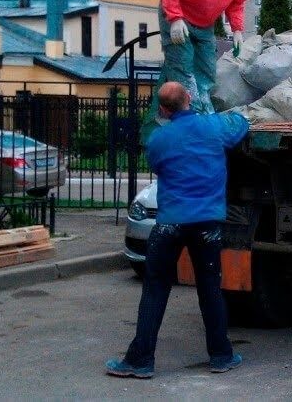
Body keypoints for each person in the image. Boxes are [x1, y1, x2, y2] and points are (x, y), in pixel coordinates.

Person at [107, 81, 250, 379]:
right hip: (206, 224)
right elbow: (240, 124)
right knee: (210, 289)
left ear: (162, 109)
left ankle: (140, 361)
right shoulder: (213, 127)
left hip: (170, 223)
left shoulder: (160, 138)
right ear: (189, 99)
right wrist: (233, 115)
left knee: (155, 290)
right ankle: (221, 356)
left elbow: (158, 166)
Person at [142, 0, 250, 144]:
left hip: (204, 23)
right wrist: (174, 18)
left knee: (207, 71)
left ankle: (195, 112)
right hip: (179, 15)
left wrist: (237, 29)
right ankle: (197, 119)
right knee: (184, 69)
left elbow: (237, 1)